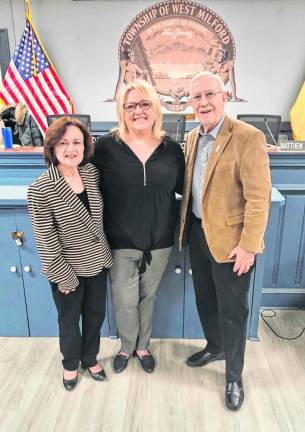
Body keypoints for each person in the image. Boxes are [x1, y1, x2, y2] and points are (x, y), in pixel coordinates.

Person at [179, 71, 271, 410]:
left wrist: (249, 246)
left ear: (224, 97)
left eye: (209, 95)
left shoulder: (248, 137)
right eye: (197, 97)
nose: (203, 102)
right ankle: (215, 346)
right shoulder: (191, 138)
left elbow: (259, 199)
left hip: (234, 244)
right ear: (191, 103)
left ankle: (234, 375)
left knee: (232, 310)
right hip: (199, 236)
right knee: (206, 301)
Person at [93, 79, 185, 374]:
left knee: (148, 297)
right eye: (130, 105)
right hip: (119, 240)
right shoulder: (106, 146)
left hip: (160, 240)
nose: (138, 111)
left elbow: (185, 190)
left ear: (156, 108)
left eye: (144, 104)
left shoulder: (172, 150)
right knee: (124, 299)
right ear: (122, 111)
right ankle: (125, 346)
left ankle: (143, 347)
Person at [27, 117, 113, 391]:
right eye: (63, 143)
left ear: (85, 146)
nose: (71, 149)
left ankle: (90, 357)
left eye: (77, 142)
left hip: (97, 263)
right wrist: (63, 277)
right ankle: (70, 363)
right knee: (68, 320)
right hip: (67, 271)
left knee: (95, 314)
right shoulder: (40, 188)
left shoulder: (90, 173)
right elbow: (46, 240)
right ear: (51, 147)